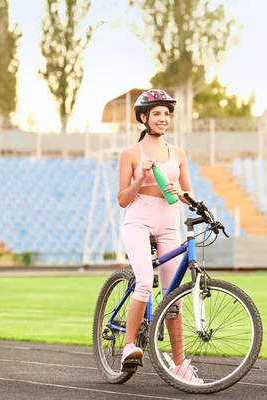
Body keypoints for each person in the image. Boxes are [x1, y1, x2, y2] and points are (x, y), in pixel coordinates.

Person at [117, 88, 202, 383]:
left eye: (166, 114)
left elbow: (188, 193)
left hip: (169, 222)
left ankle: (180, 365)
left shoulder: (178, 153)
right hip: (138, 220)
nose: (163, 119)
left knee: (174, 297)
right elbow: (123, 199)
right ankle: (129, 346)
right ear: (143, 118)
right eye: (157, 114)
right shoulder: (130, 153)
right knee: (143, 282)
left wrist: (185, 196)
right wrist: (140, 176)